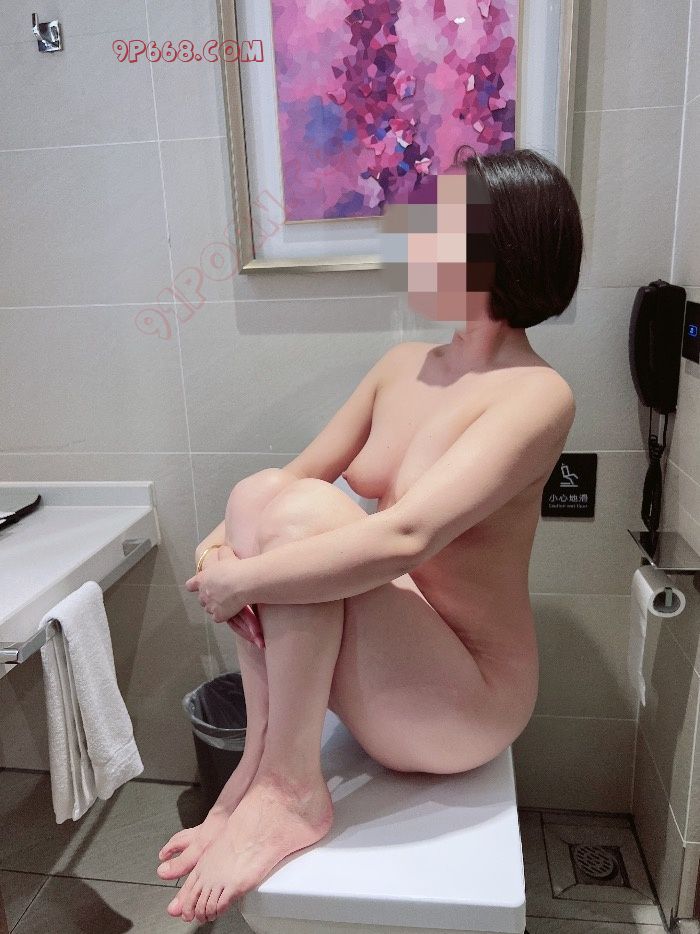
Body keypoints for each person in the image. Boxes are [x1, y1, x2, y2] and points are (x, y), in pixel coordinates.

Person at [158, 145, 583, 924]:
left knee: (305, 518)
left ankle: (290, 789)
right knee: (263, 494)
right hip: (397, 669)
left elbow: (407, 537)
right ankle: (260, 766)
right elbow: (295, 475)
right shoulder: (402, 366)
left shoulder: (537, 395)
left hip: (466, 700)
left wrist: (244, 581)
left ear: (503, 248)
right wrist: (214, 549)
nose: (417, 243)